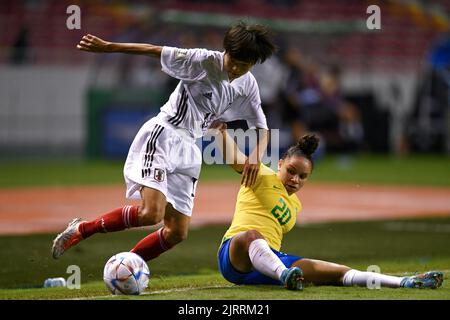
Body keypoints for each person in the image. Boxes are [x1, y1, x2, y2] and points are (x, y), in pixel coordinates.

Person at [52, 21, 276, 263]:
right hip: (164, 135)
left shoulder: (248, 84)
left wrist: (255, 157)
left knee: (177, 232)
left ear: (253, 64)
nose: (235, 69)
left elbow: (262, 127)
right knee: (151, 214)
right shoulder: (203, 61)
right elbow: (154, 49)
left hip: (190, 149)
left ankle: (127, 267)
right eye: (233, 61)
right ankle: (82, 229)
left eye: (243, 66)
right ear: (226, 51)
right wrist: (108, 47)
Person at [213, 126, 444, 290]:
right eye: (291, 171)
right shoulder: (262, 175)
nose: (295, 179)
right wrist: (221, 133)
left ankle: (405, 282)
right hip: (235, 257)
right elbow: (235, 158)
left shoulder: (295, 205)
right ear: (280, 163)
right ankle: (285, 276)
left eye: (302, 176)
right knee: (252, 235)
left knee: (336, 272)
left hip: (269, 262)